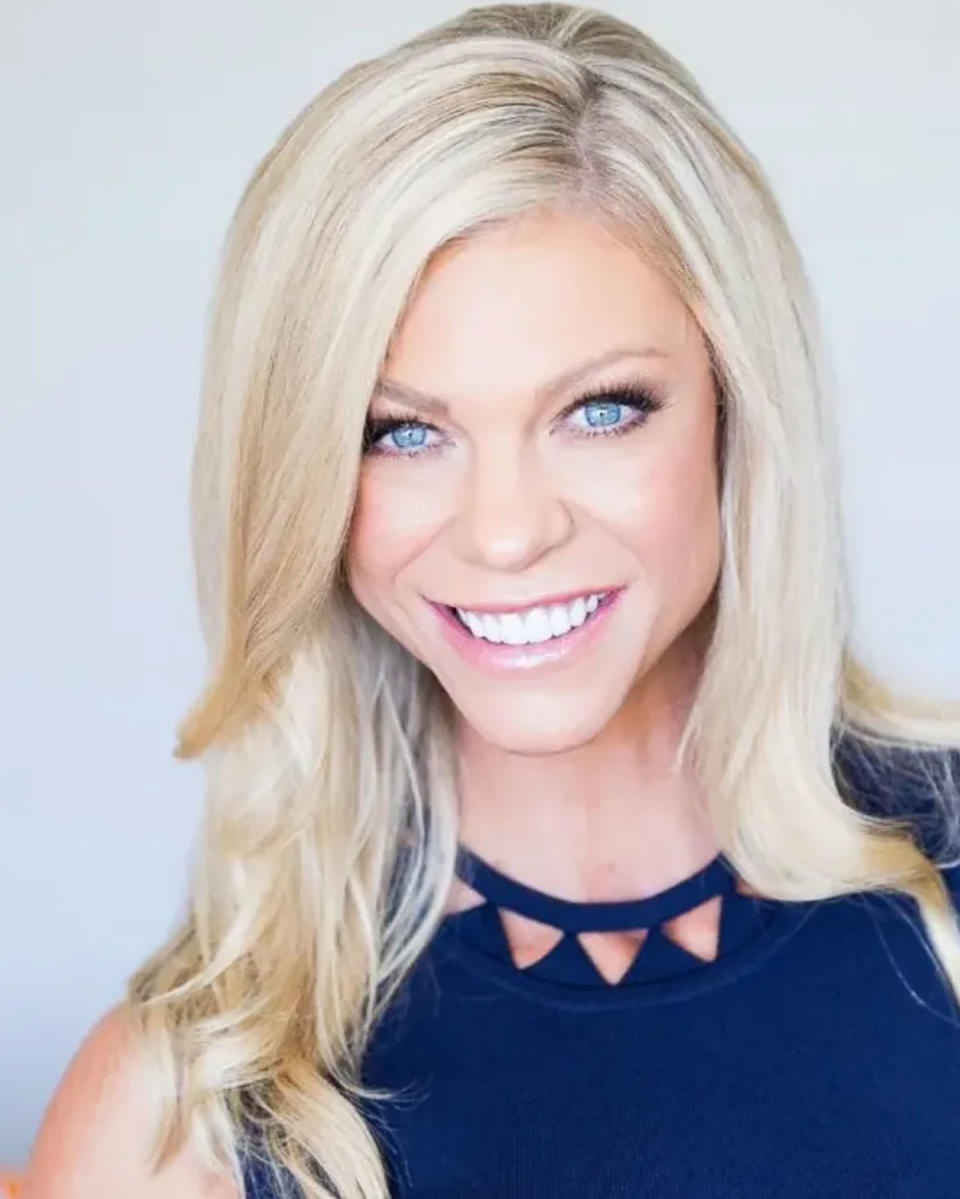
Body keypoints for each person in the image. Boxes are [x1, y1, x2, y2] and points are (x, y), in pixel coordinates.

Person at [24, 5, 960, 1198]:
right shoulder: (184, 1109)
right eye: (401, 431)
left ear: (735, 408)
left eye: (602, 409)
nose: (509, 531)